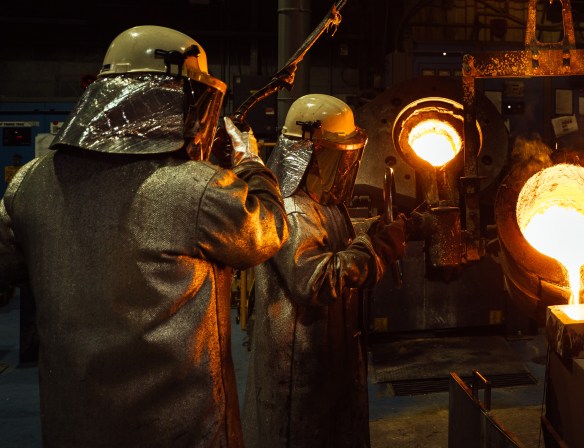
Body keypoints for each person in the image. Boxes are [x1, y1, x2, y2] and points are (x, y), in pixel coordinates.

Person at [0, 25, 288, 447]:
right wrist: (251, 164)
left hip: (72, 430)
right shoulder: (196, 188)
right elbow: (267, 231)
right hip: (182, 431)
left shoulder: (29, 182)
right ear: (180, 98)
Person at [242, 94, 408, 448]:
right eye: (338, 156)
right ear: (311, 154)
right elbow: (316, 279)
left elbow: (339, 242)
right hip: (298, 369)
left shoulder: (325, 204)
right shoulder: (291, 210)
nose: (345, 166)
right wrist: (379, 248)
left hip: (327, 359)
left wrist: (383, 230)